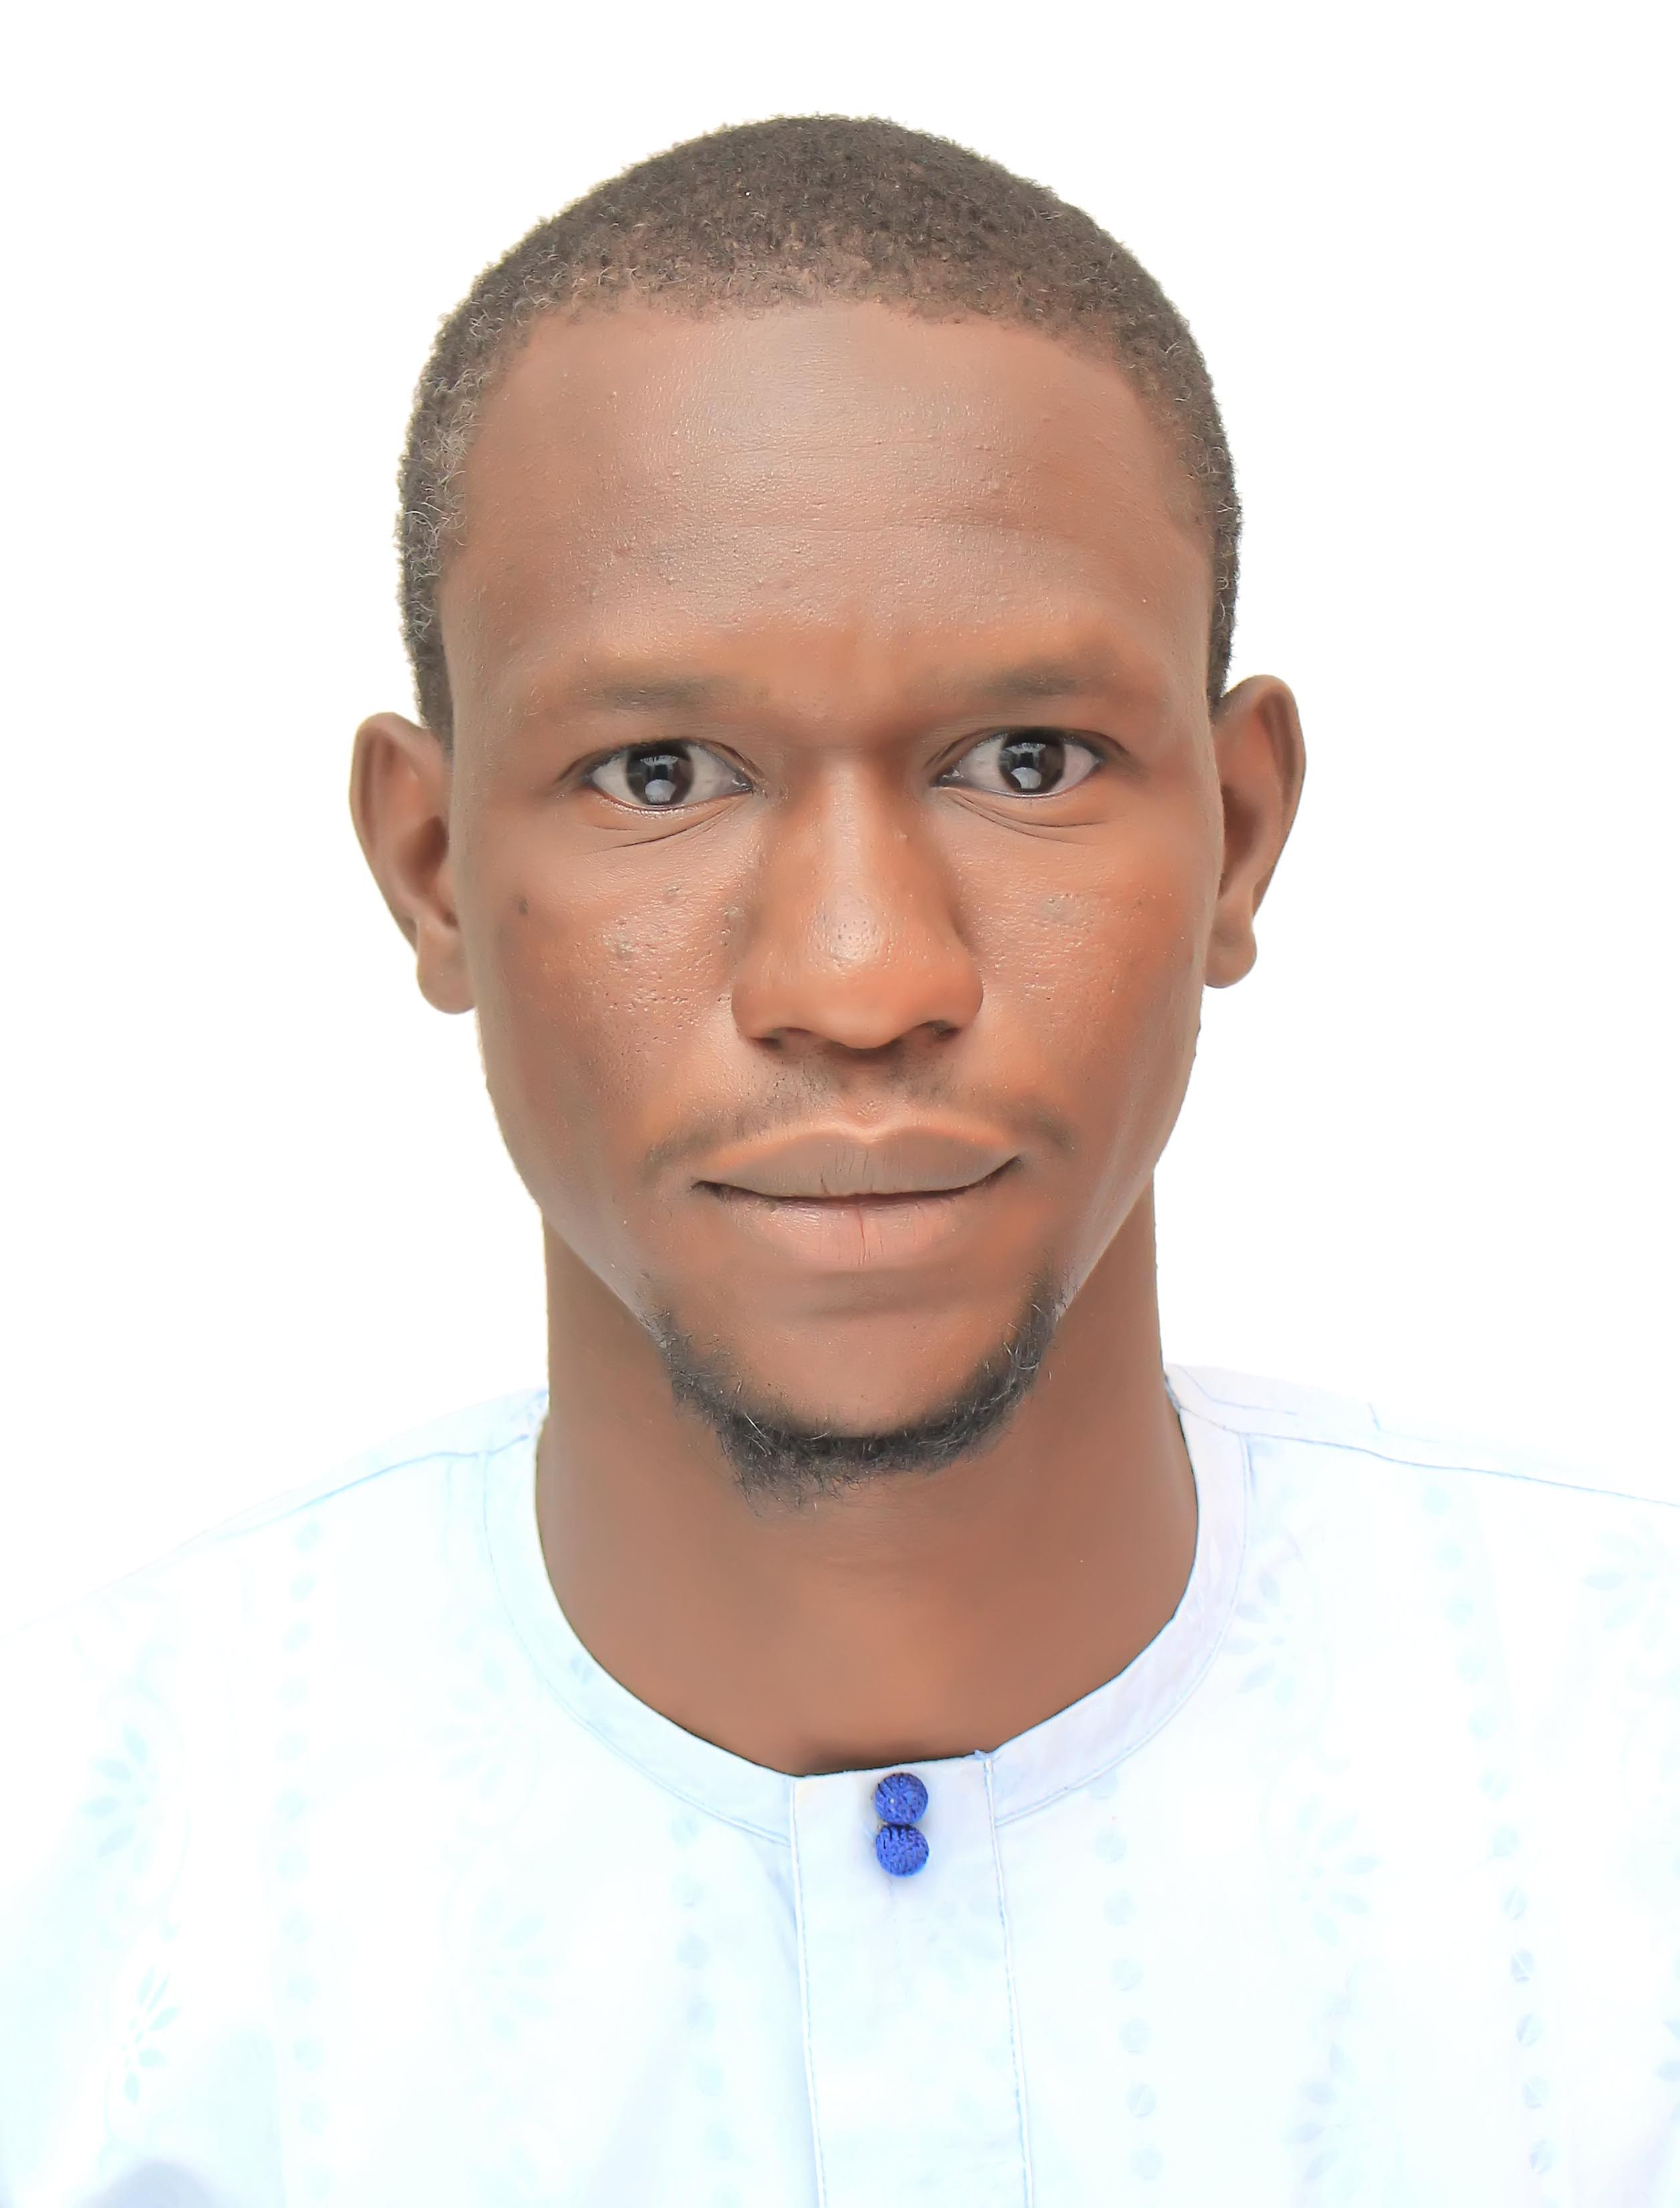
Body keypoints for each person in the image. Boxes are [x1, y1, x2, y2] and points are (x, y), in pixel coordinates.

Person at [0, 113, 1673, 2208]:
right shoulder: (76, 1879)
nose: (861, 981)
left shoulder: (1630, 1779)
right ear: (428, 871)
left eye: (1025, 761)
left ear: (1238, 835)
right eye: (658, 775)